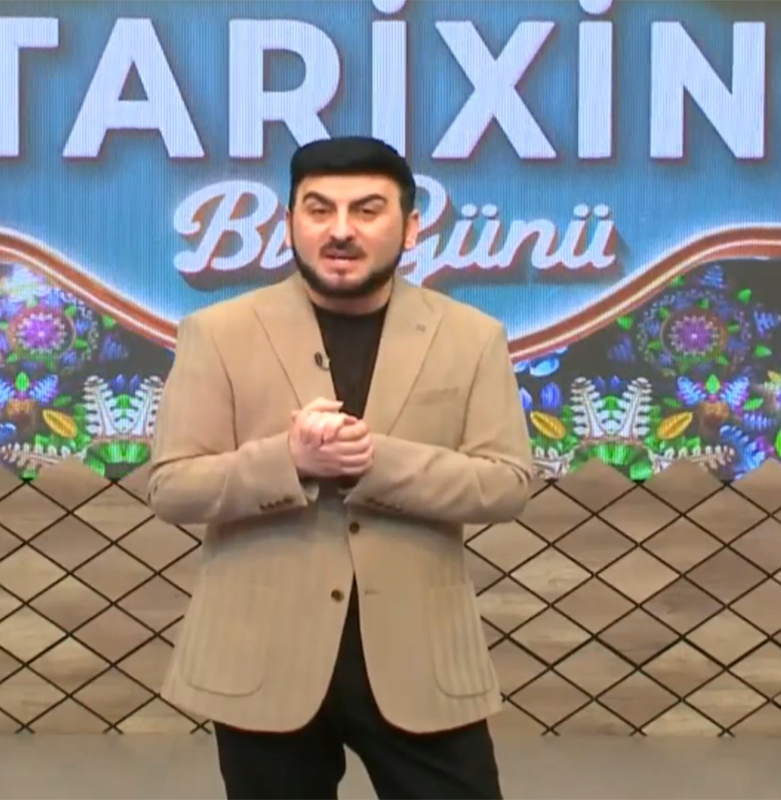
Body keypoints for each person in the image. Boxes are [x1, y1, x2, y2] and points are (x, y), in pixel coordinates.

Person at [147, 135, 534, 800]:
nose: (341, 230)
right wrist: (290, 461)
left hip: (420, 658)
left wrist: (373, 464)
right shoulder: (218, 333)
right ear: (288, 223)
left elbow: (506, 483)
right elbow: (173, 486)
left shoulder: (472, 337)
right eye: (319, 209)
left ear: (410, 228)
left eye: (367, 210)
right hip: (261, 658)